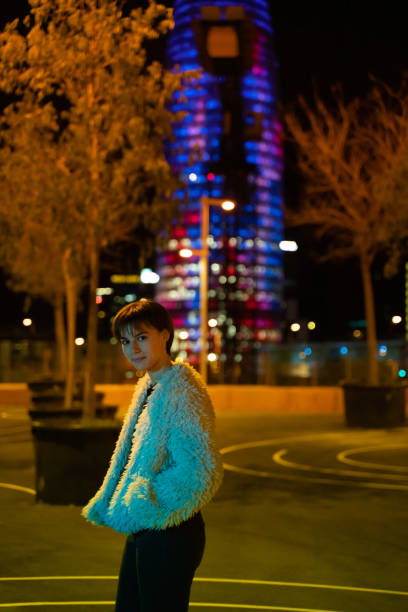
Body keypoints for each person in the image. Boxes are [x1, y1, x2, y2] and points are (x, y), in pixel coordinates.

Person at [82, 298, 223, 611]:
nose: (134, 349)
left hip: (170, 530)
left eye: (142, 337)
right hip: (149, 525)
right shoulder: (150, 385)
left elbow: (202, 470)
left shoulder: (183, 392)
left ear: (165, 335)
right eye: (126, 341)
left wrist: (144, 500)